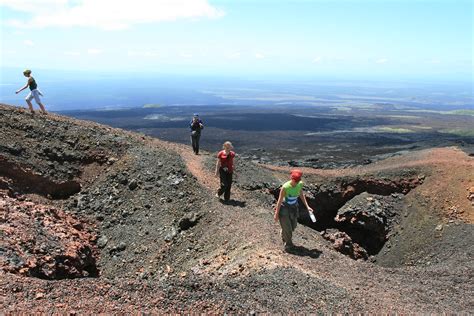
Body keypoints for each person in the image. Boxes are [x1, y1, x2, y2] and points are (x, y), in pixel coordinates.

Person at [274, 169, 314, 252]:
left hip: (294, 207)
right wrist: (276, 214)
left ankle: (284, 233)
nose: (296, 182)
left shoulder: (300, 184)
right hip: (284, 208)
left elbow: (301, 194)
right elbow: (279, 200)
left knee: (293, 225)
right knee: (288, 229)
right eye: (295, 180)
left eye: (298, 180)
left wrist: (307, 206)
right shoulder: (285, 187)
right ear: (291, 179)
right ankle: (288, 245)